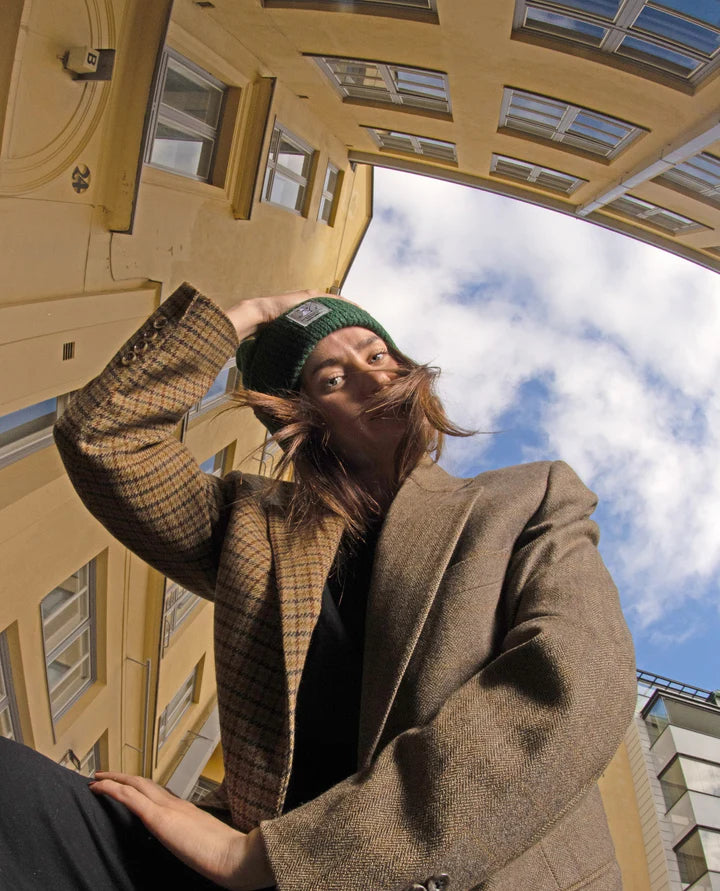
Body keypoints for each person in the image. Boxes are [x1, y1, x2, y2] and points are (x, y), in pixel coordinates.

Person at [1, 282, 636, 890]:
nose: (371, 378)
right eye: (331, 379)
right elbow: (103, 438)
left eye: (377, 355)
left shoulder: (526, 499)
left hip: (439, 873)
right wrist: (256, 312)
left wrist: (267, 858)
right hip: (237, 860)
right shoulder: (253, 526)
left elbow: (574, 682)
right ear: (301, 421)